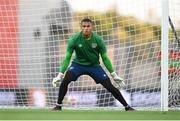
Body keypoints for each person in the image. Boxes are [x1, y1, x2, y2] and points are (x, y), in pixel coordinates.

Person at [51, 18, 135, 111]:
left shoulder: (98, 40)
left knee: (110, 86)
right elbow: (67, 57)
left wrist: (114, 75)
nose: (86, 28)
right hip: (78, 65)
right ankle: (58, 105)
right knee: (66, 79)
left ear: (92, 27)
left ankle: (127, 107)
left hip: (94, 66)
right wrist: (60, 75)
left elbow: (105, 58)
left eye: (88, 26)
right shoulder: (74, 39)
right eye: (84, 26)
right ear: (81, 27)